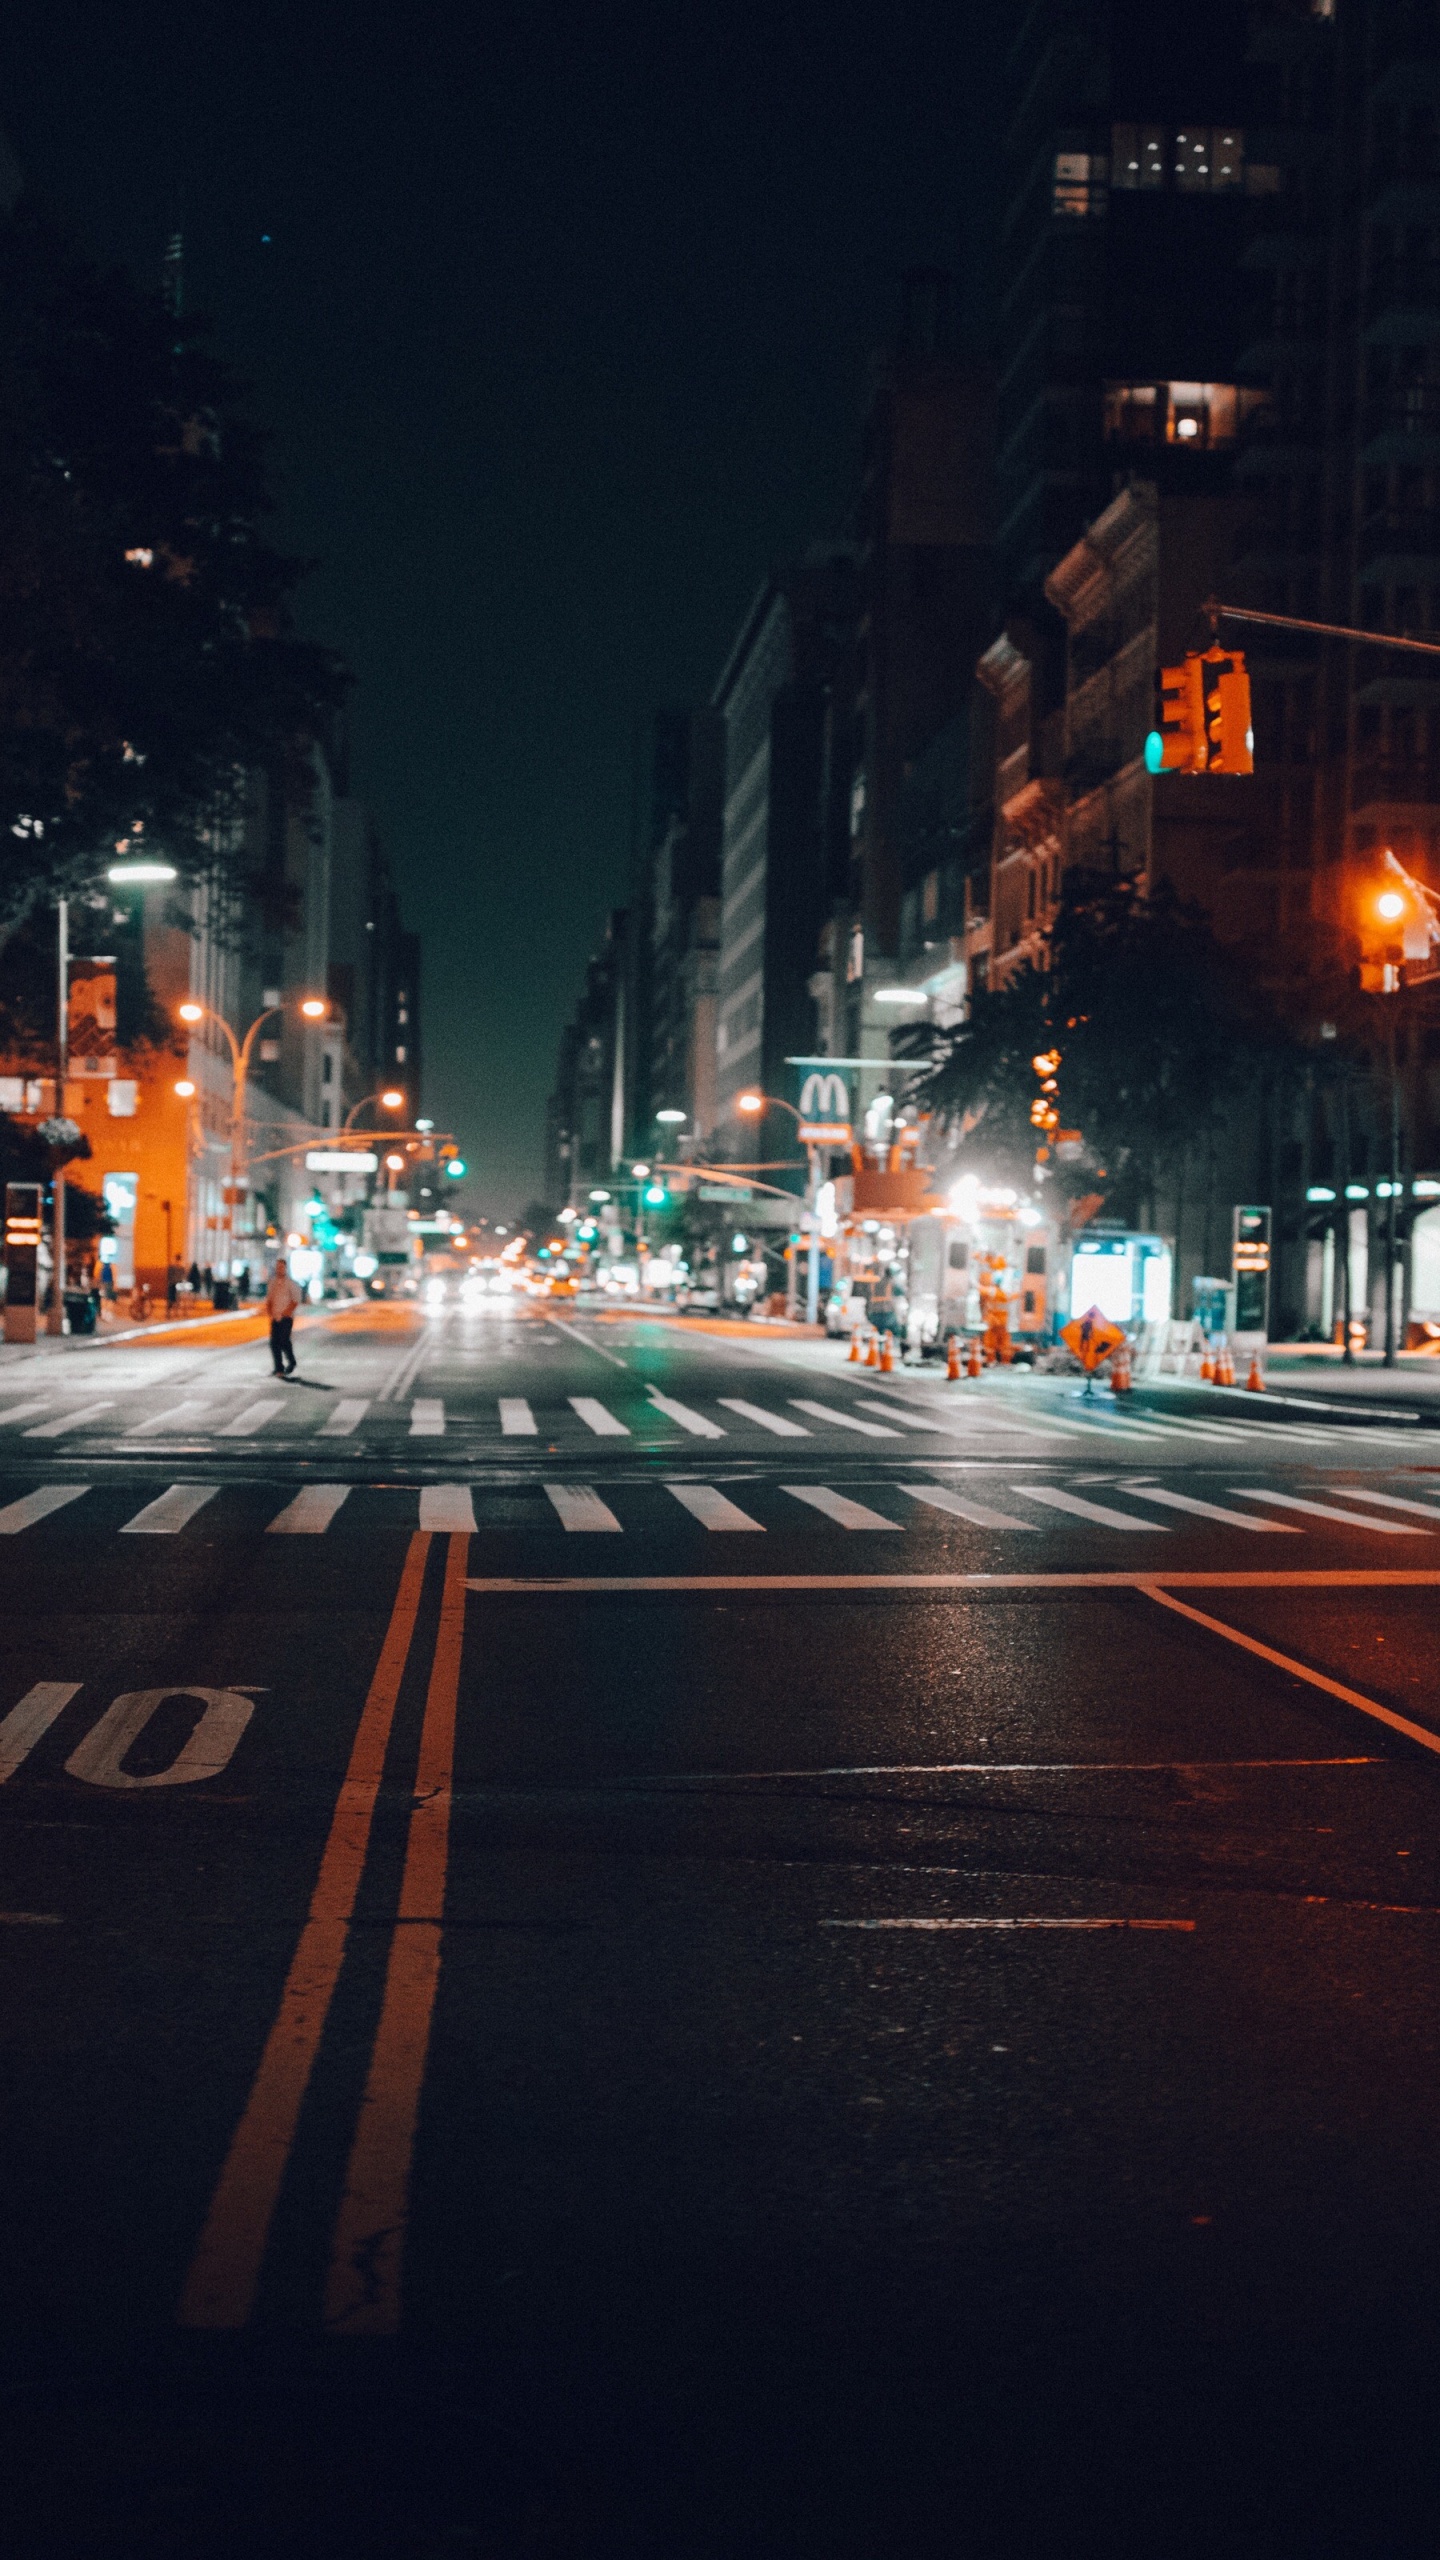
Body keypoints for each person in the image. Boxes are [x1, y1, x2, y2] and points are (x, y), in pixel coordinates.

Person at [264, 1258, 301, 1377]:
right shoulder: (272, 1282)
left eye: (281, 1267)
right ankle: (278, 1367)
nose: (279, 1269)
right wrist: (270, 1312)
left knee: (284, 1341)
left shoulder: (290, 1283)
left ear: (285, 1268)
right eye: (277, 1267)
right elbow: (269, 1299)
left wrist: (286, 1313)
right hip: (275, 1317)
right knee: (274, 1342)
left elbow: (295, 1301)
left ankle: (291, 1361)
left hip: (286, 1317)